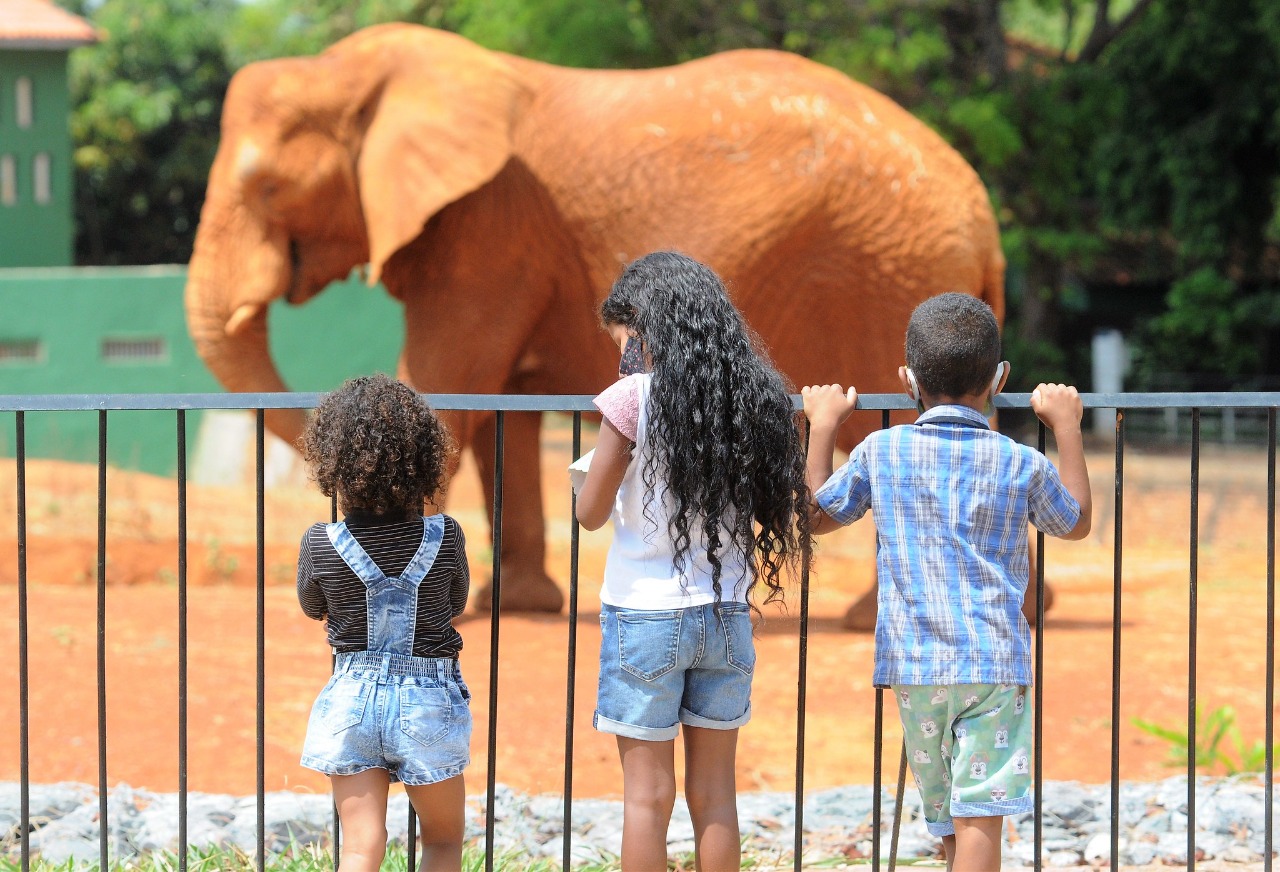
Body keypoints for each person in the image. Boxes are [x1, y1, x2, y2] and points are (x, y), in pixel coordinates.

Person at [801, 292, 1092, 872]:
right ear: (1000, 379)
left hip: (915, 666)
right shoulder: (1020, 461)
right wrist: (1066, 427)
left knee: (946, 815)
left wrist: (823, 424)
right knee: (979, 814)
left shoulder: (881, 452)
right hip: (994, 664)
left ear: (907, 381)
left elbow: (814, 515)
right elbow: (1076, 522)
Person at [575, 250, 810, 870]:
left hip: (644, 616)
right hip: (726, 613)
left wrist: (592, 479)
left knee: (646, 799)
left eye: (625, 344)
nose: (624, 358)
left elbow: (590, 513)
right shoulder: (749, 398)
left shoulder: (631, 399)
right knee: (716, 796)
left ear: (644, 331)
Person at [296, 374, 472, 872]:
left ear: (332, 461)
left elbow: (312, 605)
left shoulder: (321, 542)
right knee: (442, 839)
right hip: (427, 702)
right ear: (424, 460)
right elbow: (456, 601)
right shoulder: (446, 536)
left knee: (361, 844)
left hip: (351, 698)